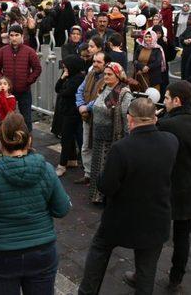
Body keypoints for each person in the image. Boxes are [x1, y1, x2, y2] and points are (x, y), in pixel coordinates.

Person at [79, 99, 178, 295]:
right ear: (154, 117)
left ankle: (87, 291)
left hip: (121, 218)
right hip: (156, 217)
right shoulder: (171, 141)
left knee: (99, 250)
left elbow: (107, 186)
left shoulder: (121, 148)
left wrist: (100, 176)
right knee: (146, 269)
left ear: (129, 119)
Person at [0, 113, 71, 293]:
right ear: (29, 140)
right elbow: (62, 209)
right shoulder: (47, 170)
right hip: (41, 251)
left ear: (0, 143)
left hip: (1, 254)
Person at [131, 80, 191, 290]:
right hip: (189, 188)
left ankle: (142, 275)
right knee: (182, 237)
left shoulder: (165, 125)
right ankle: (176, 278)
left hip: (163, 187)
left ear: (176, 100)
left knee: (152, 235)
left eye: (166, 98)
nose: (163, 102)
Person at [90, 62, 133, 204]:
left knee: (108, 168)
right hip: (98, 134)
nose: (106, 76)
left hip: (112, 137)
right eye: (105, 74)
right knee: (97, 165)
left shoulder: (123, 92)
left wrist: (127, 139)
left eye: (109, 74)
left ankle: (106, 197)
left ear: (118, 75)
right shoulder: (105, 88)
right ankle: (96, 196)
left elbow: (126, 117)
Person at [0, 25, 42, 132]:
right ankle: (7, 142)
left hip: (24, 91)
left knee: (26, 120)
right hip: (7, 92)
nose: (14, 38)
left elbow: (37, 69)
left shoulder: (29, 51)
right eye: (11, 35)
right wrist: (2, 82)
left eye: (17, 35)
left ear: (22, 36)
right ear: (9, 37)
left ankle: (27, 145)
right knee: (6, 119)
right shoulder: (3, 51)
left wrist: (28, 81)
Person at [75, 51, 108, 185]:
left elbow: (103, 97)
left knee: (99, 147)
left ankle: (98, 177)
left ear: (106, 64)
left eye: (99, 62)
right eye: (94, 61)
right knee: (85, 147)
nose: (95, 64)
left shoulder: (107, 77)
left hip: (100, 119)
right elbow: (80, 91)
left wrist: (86, 108)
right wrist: (80, 106)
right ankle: (88, 174)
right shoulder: (90, 74)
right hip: (86, 117)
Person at [54, 55, 86, 177]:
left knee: (67, 139)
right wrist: (62, 78)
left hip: (73, 113)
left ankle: (62, 165)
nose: (64, 69)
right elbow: (58, 89)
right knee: (73, 138)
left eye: (66, 67)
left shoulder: (77, 79)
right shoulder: (70, 77)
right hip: (68, 112)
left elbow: (64, 93)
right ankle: (72, 160)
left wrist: (63, 84)